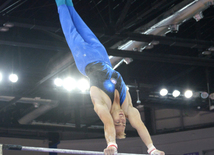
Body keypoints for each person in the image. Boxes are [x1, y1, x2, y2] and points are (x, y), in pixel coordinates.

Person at [55, 0, 165, 155]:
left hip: (86, 59)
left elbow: (107, 125)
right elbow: (139, 125)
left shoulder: (101, 104)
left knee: (70, 27)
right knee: (79, 22)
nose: (121, 120)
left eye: (117, 123)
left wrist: (112, 145)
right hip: (102, 56)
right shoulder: (127, 106)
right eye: (123, 123)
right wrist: (152, 149)